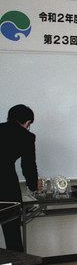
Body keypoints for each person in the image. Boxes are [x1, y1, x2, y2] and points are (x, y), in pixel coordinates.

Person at [0, 105, 41, 252]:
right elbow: (28, 166)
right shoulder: (26, 137)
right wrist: (34, 187)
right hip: (6, 186)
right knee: (12, 233)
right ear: (27, 122)